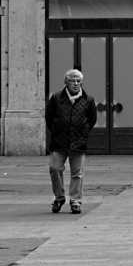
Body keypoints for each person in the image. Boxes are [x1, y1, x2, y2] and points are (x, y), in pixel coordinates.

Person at [45, 69, 97, 214]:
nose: (75, 84)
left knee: (77, 173)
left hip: (78, 142)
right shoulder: (56, 98)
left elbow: (92, 120)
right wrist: (56, 130)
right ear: (66, 82)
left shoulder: (88, 100)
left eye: (78, 81)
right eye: (72, 81)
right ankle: (59, 197)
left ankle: (75, 201)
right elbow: (49, 118)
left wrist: (83, 132)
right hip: (59, 141)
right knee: (55, 168)